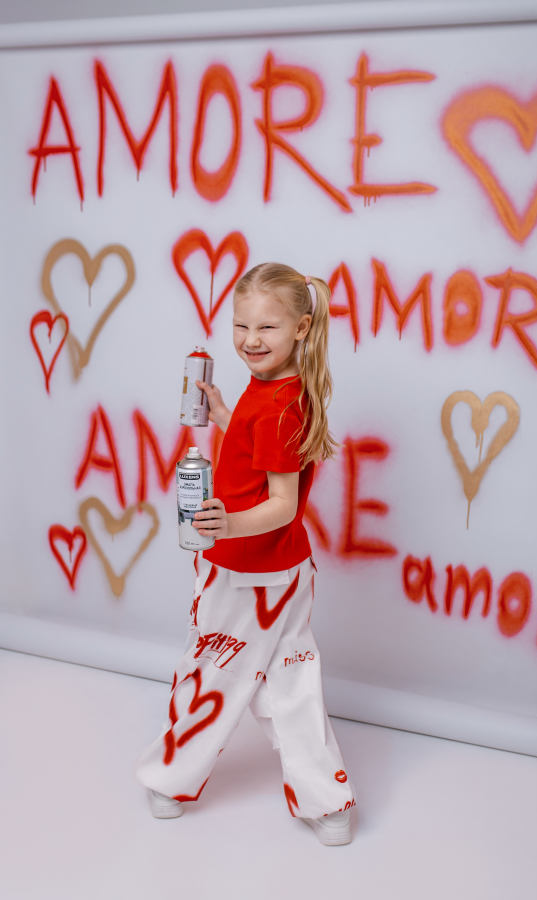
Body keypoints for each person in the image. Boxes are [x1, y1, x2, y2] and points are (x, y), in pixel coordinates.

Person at [136, 262, 355, 846]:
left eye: (267, 328)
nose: (251, 340)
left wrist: (227, 524)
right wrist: (227, 415)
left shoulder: (280, 405)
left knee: (210, 672)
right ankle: (328, 804)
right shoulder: (280, 391)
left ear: (301, 329)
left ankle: (170, 780)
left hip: (244, 572)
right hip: (285, 572)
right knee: (290, 682)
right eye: (241, 326)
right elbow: (263, 453)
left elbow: (282, 504)